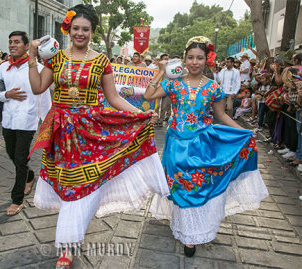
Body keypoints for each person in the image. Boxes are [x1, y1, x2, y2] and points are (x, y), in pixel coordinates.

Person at [28, 4, 169, 268]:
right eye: (76, 28)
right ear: (68, 29)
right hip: (62, 133)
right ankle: (71, 238)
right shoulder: (55, 59)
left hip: (92, 132)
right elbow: (37, 88)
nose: (80, 33)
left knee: (83, 187)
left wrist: (140, 114)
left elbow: (113, 98)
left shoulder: (102, 61)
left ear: (92, 32)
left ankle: (67, 247)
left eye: (86, 29)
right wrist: (31, 56)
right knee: (70, 187)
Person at [145, 36, 268, 257]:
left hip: (203, 146)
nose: (194, 62)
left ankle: (192, 234)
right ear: (184, 59)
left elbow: (221, 115)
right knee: (180, 187)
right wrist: (161, 71)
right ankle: (186, 230)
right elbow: (148, 95)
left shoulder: (213, 87)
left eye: (199, 58)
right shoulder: (173, 83)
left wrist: (244, 133)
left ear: (207, 59)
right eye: (190, 57)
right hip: (175, 146)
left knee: (198, 187)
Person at [0, 31, 52, 216]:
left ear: (26, 46)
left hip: (27, 121)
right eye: (10, 42)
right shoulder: (4, 67)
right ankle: (30, 176)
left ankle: (17, 199)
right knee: (12, 155)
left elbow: (44, 97)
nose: (12, 45)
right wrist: (5, 95)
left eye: (16, 42)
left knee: (21, 159)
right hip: (8, 120)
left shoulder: (37, 68)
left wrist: (47, 124)